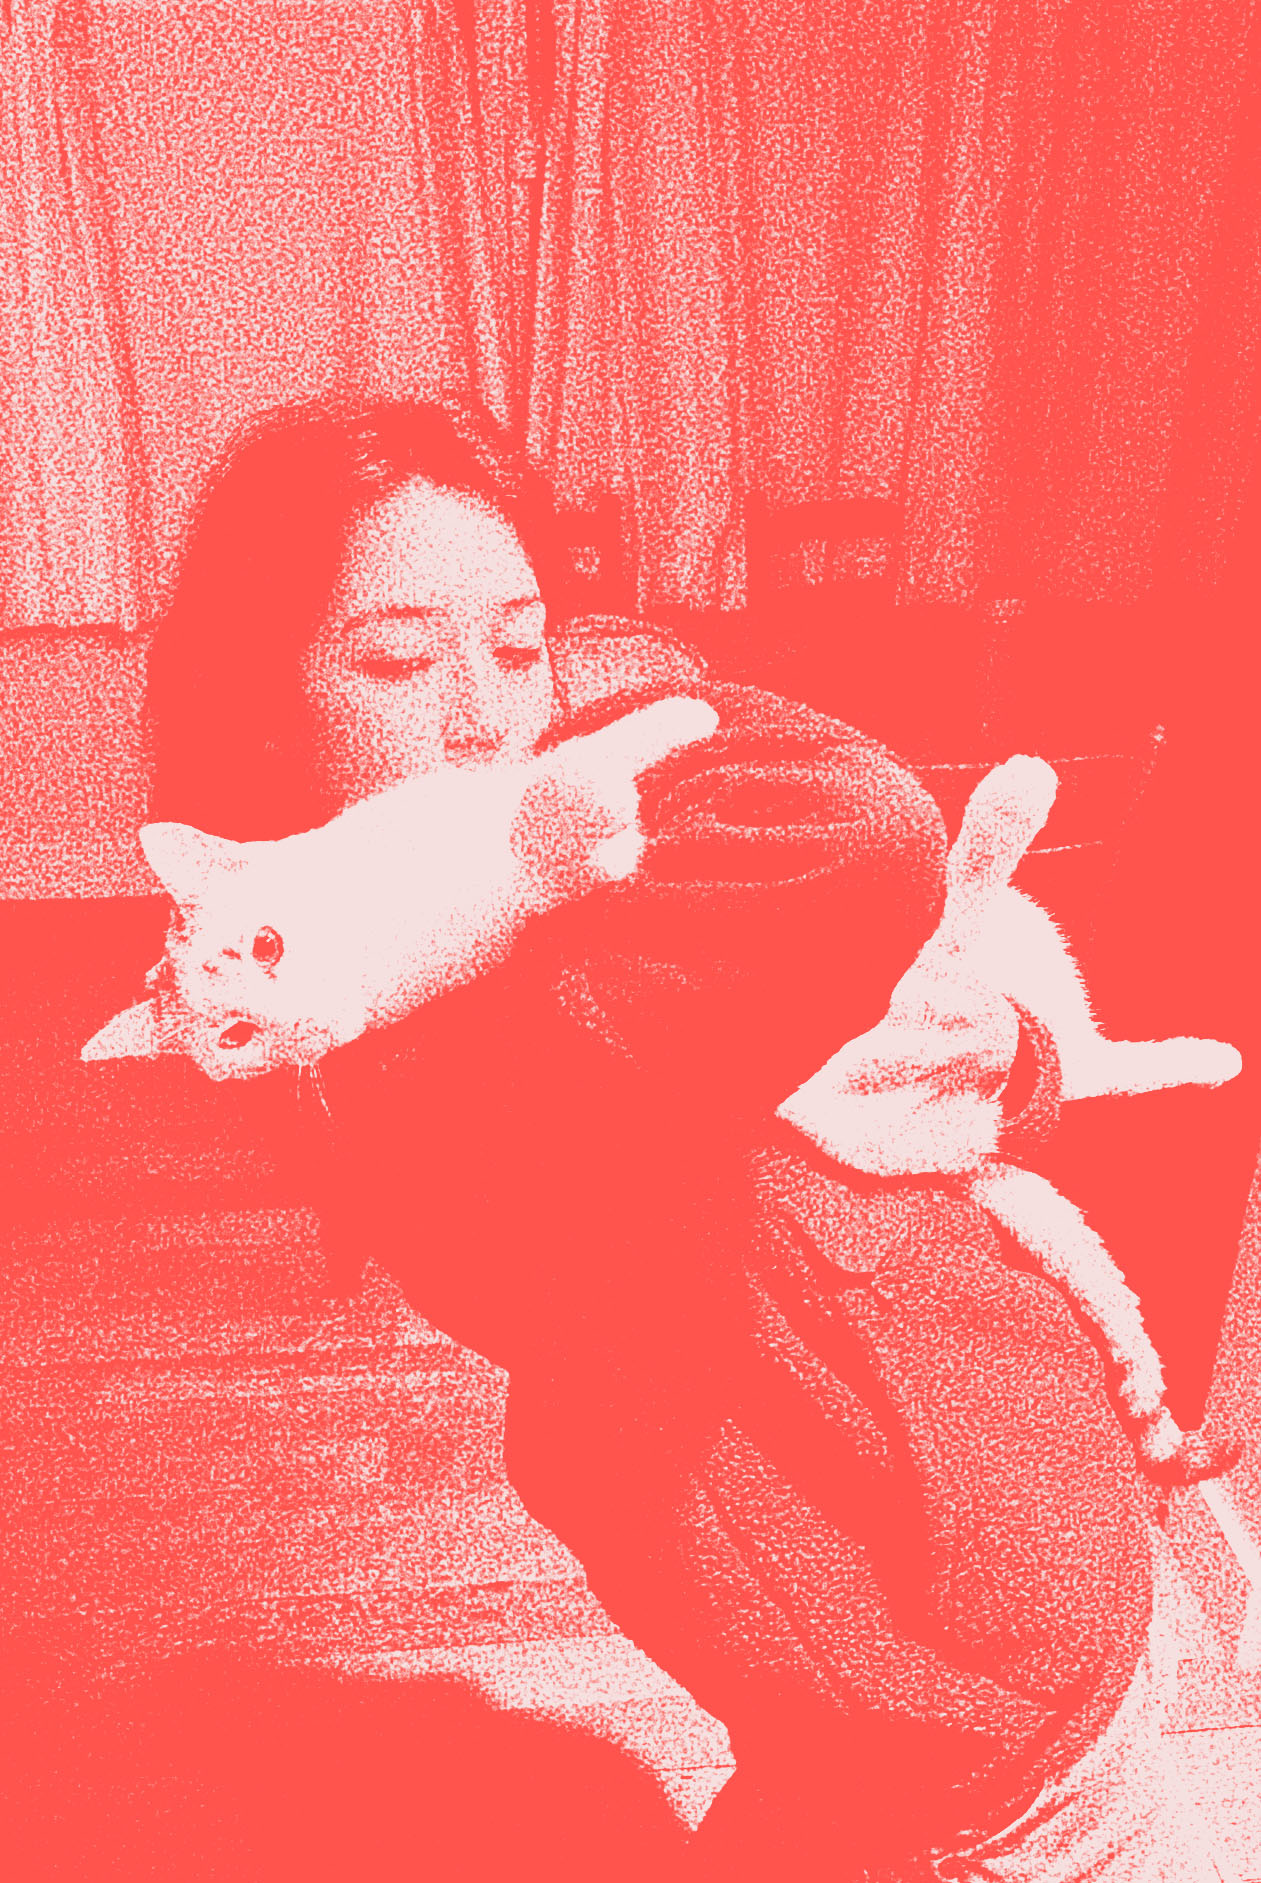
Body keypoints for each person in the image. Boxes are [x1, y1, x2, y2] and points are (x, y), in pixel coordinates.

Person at [141, 399, 1180, 1880]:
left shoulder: (563, 910)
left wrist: (1006, 1057)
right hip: (968, 1718)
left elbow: (885, 1082)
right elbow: (867, 830)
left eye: (518, 646)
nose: (480, 717)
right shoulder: (417, 1045)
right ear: (265, 706)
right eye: (399, 661)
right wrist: (630, 725)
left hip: (1007, 1609)